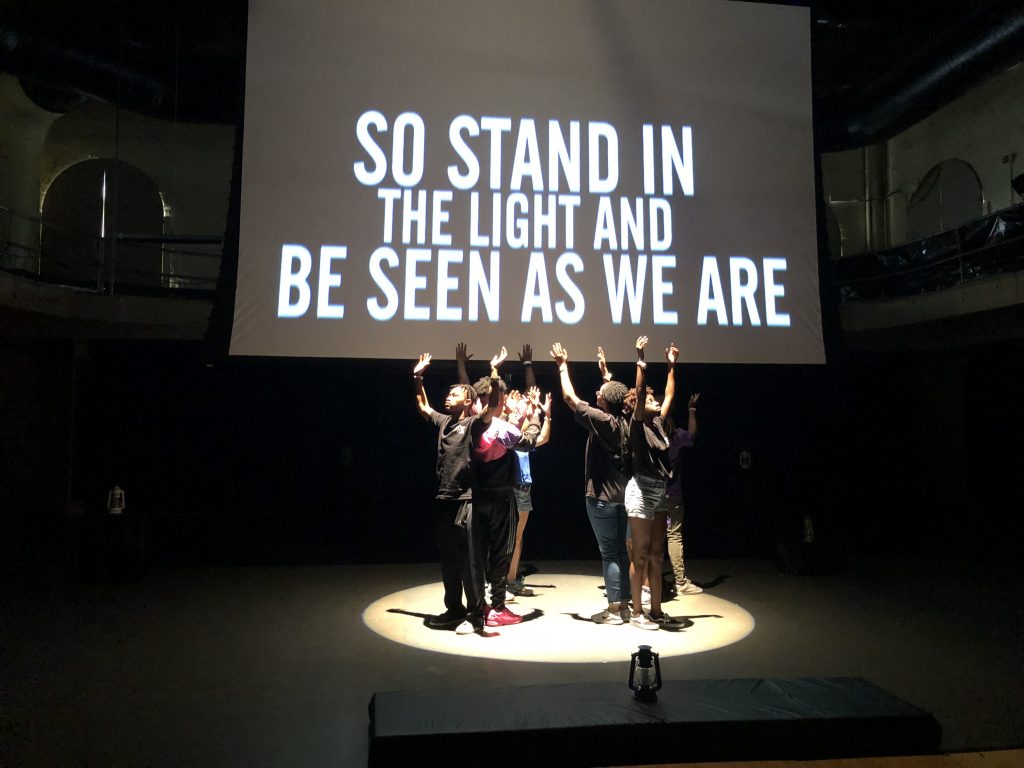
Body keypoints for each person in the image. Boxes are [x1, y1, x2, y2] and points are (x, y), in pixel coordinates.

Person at [550, 341, 631, 625]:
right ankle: (624, 606)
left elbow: (570, 398)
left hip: (601, 498)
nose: (597, 393)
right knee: (621, 552)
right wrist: (606, 374)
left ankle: (614, 610)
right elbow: (617, 396)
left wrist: (562, 366)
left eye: (601, 393)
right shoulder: (625, 420)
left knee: (609, 554)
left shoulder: (602, 421)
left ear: (606, 402)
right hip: (622, 497)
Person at [467, 347, 541, 630]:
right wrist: (534, 415)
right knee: (500, 553)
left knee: (477, 554)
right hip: (499, 498)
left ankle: (478, 607)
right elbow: (528, 441)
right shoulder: (499, 426)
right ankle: (497, 607)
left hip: (474, 498)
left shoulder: (465, 423)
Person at [412, 352, 478, 633]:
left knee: (468, 561)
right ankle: (454, 610)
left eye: (455, 394)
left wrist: (494, 374)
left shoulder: (474, 424)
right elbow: (423, 406)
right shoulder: (443, 422)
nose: (448, 397)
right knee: (449, 560)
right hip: (444, 498)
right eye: (448, 393)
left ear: (468, 401)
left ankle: (476, 615)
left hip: (467, 500)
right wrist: (418, 378)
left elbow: (491, 408)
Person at [623, 336, 681, 629]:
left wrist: (671, 366)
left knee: (658, 554)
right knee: (641, 554)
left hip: (659, 489)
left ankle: (656, 611)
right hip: (641, 491)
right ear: (638, 405)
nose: (655, 400)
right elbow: (640, 391)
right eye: (649, 399)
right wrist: (640, 360)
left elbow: (669, 396)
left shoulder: (657, 422)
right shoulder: (637, 425)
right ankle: (637, 613)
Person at [665, 393, 702, 595]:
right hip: (672, 496)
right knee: (673, 535)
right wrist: (692, 409)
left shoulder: (645, 434)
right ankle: (680, 582)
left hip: (651, 496)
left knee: (648, 539)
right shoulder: (674, 435)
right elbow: (692, 435)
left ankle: (644, 584)